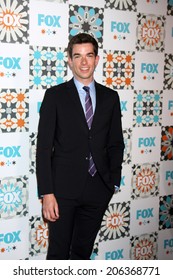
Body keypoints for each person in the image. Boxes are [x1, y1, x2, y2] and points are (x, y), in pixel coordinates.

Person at [36, 33, 124, 260]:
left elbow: (116, 143)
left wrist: (112, 181)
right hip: (62, 191)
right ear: (69, 60)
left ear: (96, 59)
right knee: (57, 253)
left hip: (98, 189)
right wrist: (47, 193)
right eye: (78, 56)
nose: (83, 62)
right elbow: (44, 148)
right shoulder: (54, 96)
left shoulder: (111, 97)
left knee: (82, 253)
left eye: (89, 55)